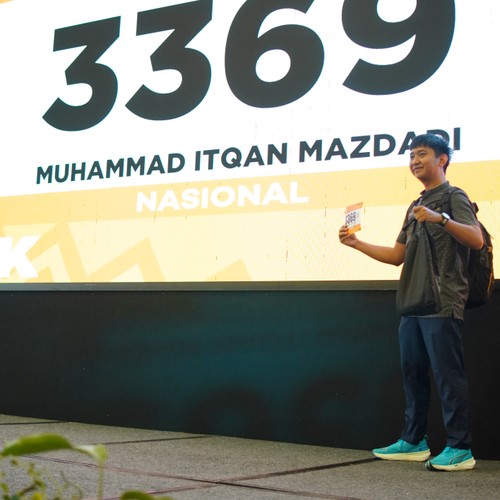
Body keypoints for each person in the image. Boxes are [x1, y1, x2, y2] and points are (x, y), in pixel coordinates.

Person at [338, 133, 483, 471]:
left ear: (442, 160)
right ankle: (414, 441)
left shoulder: (454, 196)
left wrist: (441, 219)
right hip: (412, 303)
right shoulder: (414, 206)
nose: (414, 161)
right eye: (411, 156)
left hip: (442, 301)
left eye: (422, 154)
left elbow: (475, 239)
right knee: (413, 375)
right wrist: (357, 244)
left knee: (448, 376)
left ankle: (460, 448)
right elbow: (396, 256)